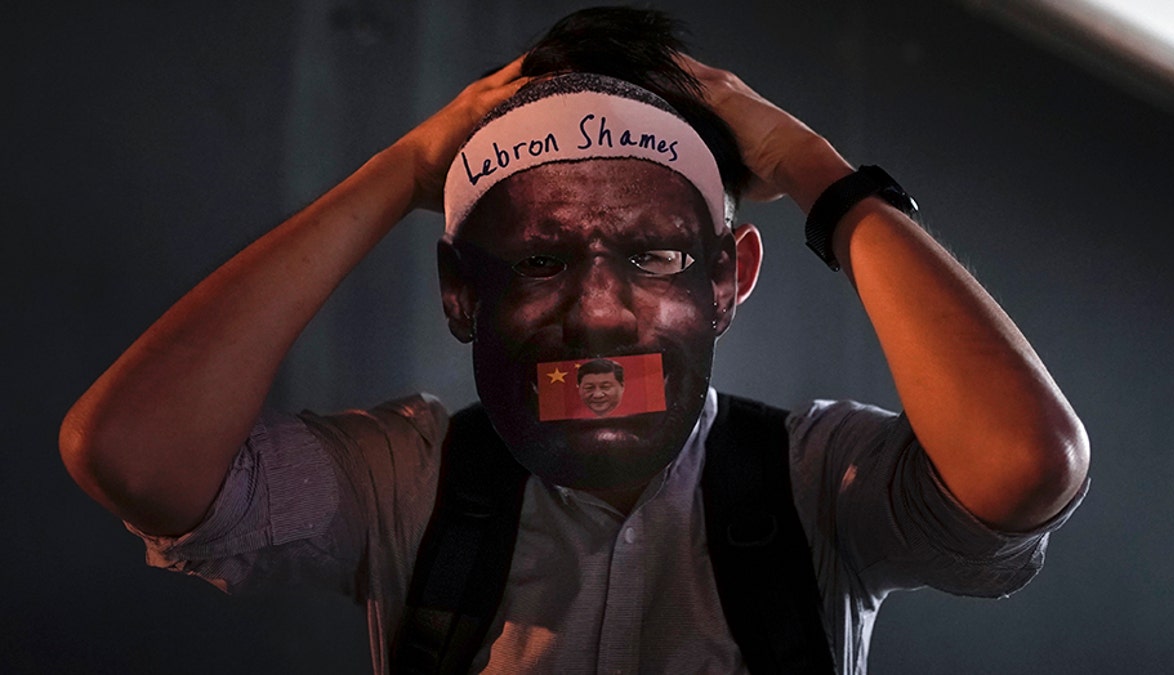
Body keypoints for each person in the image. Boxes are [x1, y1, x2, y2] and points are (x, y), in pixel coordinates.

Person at [58, 6, 1089, 674]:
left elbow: (1024, 464)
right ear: (462, 296)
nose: (597, 312)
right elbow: (131, 455)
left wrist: (821, 173)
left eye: (652, 259)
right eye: (541, 262)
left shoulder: (816, 484)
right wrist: (401, 170)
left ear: (729, 283)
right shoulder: (408, 485)